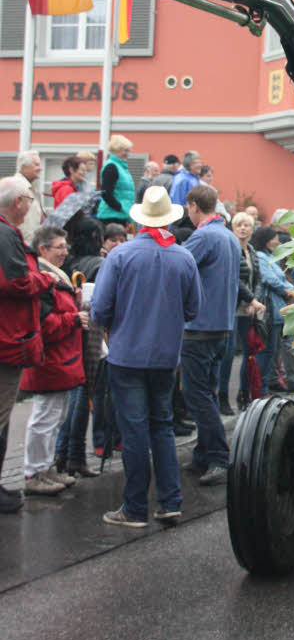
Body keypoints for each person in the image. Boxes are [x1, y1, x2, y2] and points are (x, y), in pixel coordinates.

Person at [90, 185, 201, 527]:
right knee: (162, 427)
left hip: (126, 355)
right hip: (166, 356)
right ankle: (170, 501)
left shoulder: (121, 256)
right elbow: (193, 309)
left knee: (135, 431)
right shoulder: (183, 256)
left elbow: (99, 309)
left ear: (138, 221)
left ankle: (135, 507)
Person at [0, 176, 54, 513]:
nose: (32, 207)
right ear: (18, 202)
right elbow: (17, 282)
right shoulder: (6, 233)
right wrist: (43, 278)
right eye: (30, 201)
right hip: (7, 338)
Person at [21, 225, 88, 496]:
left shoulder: (54, 276)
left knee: (54, 416)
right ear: (43, 249)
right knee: (44, 417)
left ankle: (44, 468)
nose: (65, 252)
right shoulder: (42, 278)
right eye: (59, 247)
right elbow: (43, 324)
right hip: (51, 360)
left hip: (61, 359)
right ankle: (33, 472)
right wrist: (73, 319)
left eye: (65, 246)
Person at [180, 184, 240, 484]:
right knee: (208, 394)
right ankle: (204, 454)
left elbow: (178, 268)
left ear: (194, 206)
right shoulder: (229, 237)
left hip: (199, 329)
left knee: (197, 395)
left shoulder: (203, 236)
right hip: (222, 329)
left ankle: (217, 456)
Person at [56, 217, 105, 477]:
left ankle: (65, 453)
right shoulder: (99, 264)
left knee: (73, 393)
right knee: (82, 392)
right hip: (91, 332)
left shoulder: (67, 261)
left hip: (69, 330)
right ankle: (73, 454)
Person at [217, 212, 266, 412]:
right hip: (232, 307)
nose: (243, 229)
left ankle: (244, 395)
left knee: (249, 354)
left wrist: (255, 301)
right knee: (228, 355)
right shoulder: (231, 249)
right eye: (239, 225)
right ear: (233, 228)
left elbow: (258, 279)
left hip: (249, 309)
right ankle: (222, 397)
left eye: (247, 225)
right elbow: (233, 280)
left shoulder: (252, 251)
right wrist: (250, 299)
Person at [252, 226, 294, 395]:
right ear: (265, 239)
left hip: (278, 308)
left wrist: (288, 289)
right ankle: (263, 386)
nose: (277, 241)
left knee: (275, 350)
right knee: (269, 350)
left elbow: (280, 280)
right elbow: (271, 279)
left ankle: (270, 382)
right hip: (270, 309)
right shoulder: (260, 257)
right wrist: (289, 290)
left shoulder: (270, 256)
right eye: (274, 238)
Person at [96, 135, 135, 228]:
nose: (127, 154)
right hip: (112, 216)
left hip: (120, 215)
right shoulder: (112, 167)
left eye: (128, 150)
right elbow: (106, 193)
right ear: (115, 150)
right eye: (124, 150)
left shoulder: (120, 167)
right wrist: (120, 208)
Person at [11, 151, 45, 246]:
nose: (41, 168)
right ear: (24, 166)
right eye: (36, 164)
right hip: (22, 245)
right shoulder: (18, 187)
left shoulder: (28, 187)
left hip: (29, 245)